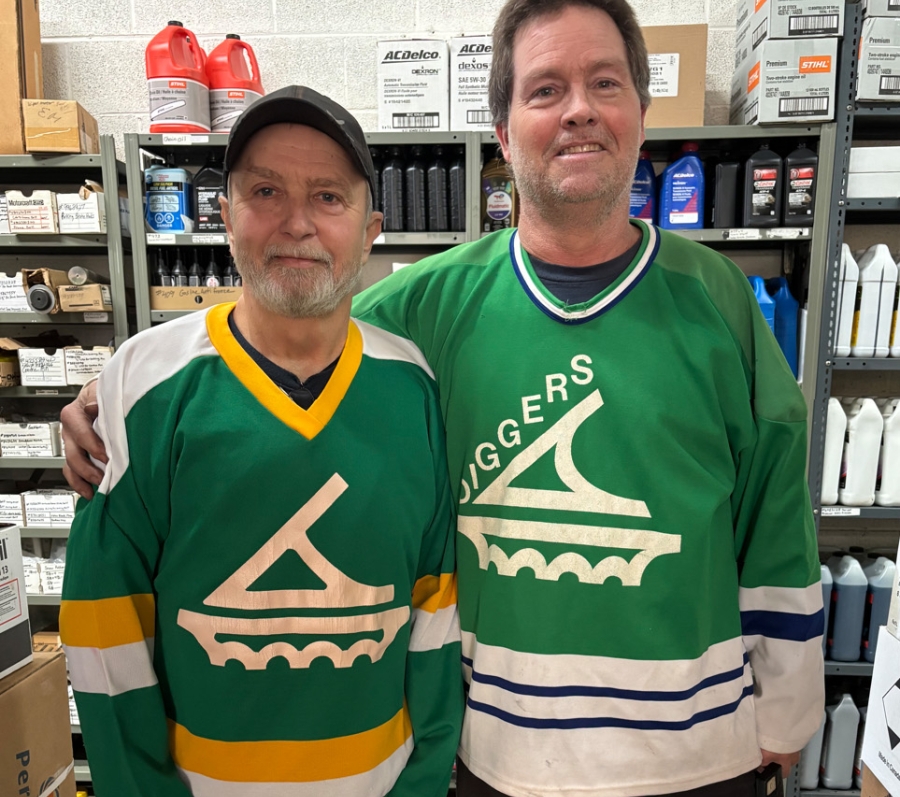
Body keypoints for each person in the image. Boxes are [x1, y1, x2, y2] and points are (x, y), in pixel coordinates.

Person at [63, 1, 825, 794]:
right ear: (502, 131)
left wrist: (786, 712)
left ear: (641, 109)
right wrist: (112, 400)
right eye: (544, 89)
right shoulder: (422, 308)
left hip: (697, 756)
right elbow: (283, 332)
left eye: (605, 82)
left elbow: (775, 514)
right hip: (494, 759)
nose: (578, 110)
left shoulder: (721, 300)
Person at [58, 85, 463, 797]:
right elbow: (105, 634)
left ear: (370, 231)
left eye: (329, 197)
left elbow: (435, 614)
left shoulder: (414, 387)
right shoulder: (143, 388)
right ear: (225, 217)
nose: (298, 223)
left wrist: (424, 779)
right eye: (267, 191)